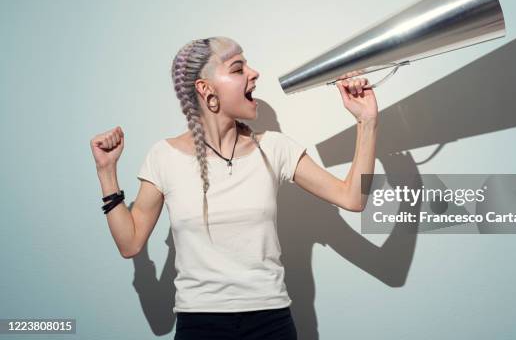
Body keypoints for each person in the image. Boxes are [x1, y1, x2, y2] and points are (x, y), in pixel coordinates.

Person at [90, 36, 378, 339]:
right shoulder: (164, 156)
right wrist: (106, 171)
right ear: (206, 89)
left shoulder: (275, 148)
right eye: (238, 68)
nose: (254, 73)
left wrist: (367, 121)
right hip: (199, 325)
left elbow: (353, 198)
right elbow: (130, 243)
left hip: (271, 323)